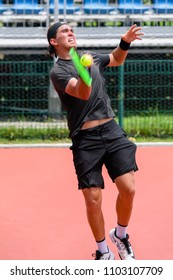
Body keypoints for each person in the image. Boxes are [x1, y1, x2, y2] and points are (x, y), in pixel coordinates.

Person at [47, 21, 143, 260]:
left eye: (71, 30)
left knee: (129, 189)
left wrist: (125, 42)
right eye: (64, 31)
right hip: (85, 139)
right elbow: (83, 92)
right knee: (92, 199)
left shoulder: (91, 58)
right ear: (53, 42)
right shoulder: (59, 71)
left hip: (111, 130)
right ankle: (103, 251)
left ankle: (120, 235)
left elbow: (116, 58)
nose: (70, 33)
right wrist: (84, 68)